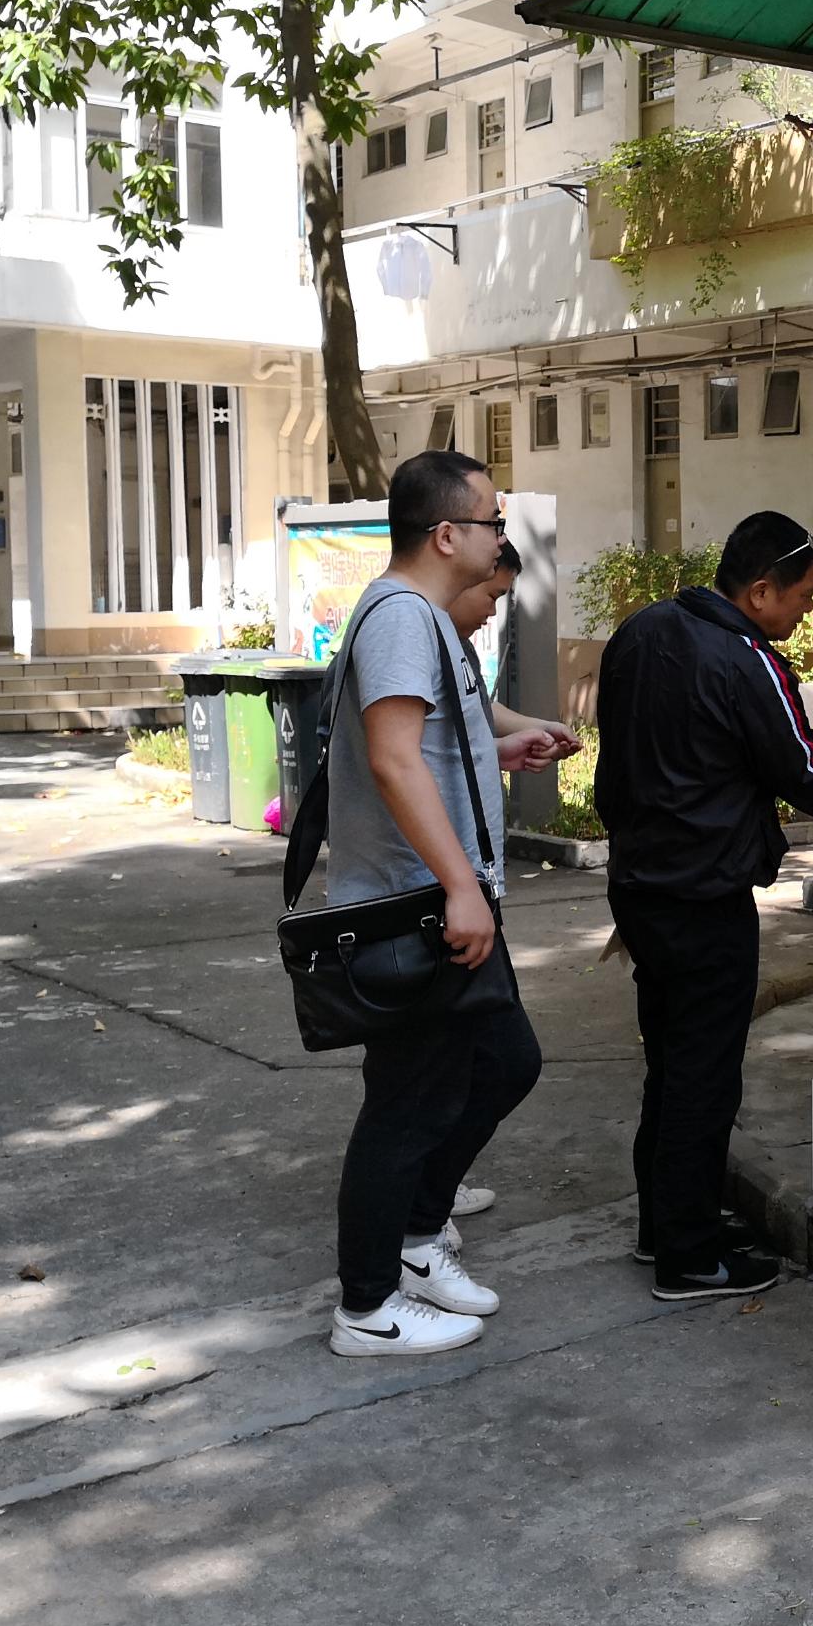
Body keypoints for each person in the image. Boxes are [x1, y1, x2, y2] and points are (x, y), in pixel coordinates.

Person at [596, 510, 813, 1301]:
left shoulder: (642, 631)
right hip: (704, 896)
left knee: (672, 1064)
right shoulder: (748, 661)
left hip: (641, 887)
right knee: (704, 1076)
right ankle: (690, 1257)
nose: (806, 613)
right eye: (803, 598)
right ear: (758, 591)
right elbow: (812, 780)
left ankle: (667, 1226)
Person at [324, 451, 551, 1358]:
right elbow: (390, 757)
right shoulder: (399, 618)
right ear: (447, 534)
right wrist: (459, 886)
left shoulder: (423, 620)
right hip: (413, 907)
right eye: (494, 520)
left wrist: (506, 752)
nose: (503, 534)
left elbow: (432, 744)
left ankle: (417, 1241)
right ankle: (368, 1307)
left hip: (447, 899)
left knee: (502, 1065)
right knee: (407, 1107)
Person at [437, 538, 578, 1235]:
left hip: (468, 885)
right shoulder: (408, 633)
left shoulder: (451, 642)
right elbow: (402, 765)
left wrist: (524, 734)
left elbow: (470, 721)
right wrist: (459, 886)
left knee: (464, 1059)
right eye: (492, 593)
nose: (493, 611)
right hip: (439, 892)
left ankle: (431, 1184)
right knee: (496, 1058)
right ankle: (418, 1213)